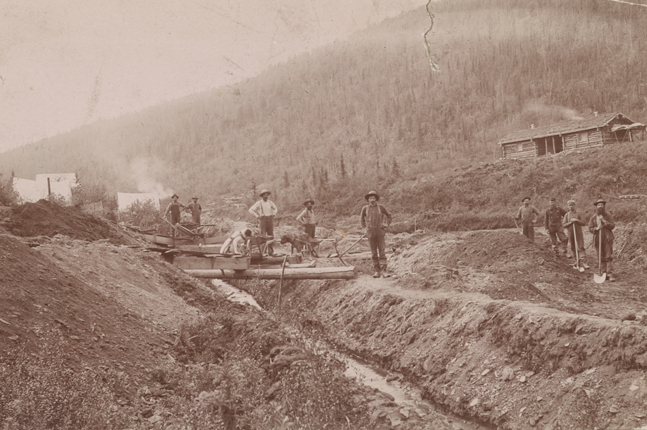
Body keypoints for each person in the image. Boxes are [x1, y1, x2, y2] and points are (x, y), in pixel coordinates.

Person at [360, 190, 392, 278]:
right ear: (368, 199)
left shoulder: (381, 207)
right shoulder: (365, 208)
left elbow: (389, 215)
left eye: (373, 198)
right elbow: (361, 219)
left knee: (382, 251)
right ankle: (377, 271)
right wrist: (364, 228)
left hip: (380, 231)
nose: (372, 200)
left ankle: (384, 270)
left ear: (376, 199)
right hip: (370, 232)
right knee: (373, 253)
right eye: (370, 198)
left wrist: (386, 224)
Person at [588, 198, 616, 281]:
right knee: (600, 256)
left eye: (602, 205)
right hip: (597, 239)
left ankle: (610, 273)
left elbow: (612, 226)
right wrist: (596, 228)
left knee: (608, 256)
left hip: (607, 238)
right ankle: (603, 272)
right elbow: (590, 228)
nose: (600, 206)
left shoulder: (608, 216)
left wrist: (604, 221)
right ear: (596, 207)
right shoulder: (593, 218)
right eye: (598, 205)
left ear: (604, 206)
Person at [248, 189, 278, 254]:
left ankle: (271, 252)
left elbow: (275, 208)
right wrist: (257, 216)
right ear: (262, 196)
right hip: (263, 220)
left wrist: (274, 214)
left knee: (271, 236)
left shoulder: (270, 202)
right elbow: (250, 210)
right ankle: (263, 252)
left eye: (267, 195)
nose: (266, 197)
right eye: (264, 196)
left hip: (270, 219)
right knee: (263, 236)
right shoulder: (259, 203)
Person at [562, 199, 589, 269]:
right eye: (569, 205)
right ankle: (576, 261)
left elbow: (584, 223)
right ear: (568, 206)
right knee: (573, 247)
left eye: (572, 205)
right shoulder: (566, 215)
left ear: (574, 205)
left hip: (578, 233)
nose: (571, 207)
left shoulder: (579, 213)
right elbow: (564, 225)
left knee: (581, 247)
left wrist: (577, 220)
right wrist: (570, 222)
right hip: (570, 233)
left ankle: (584, 262)